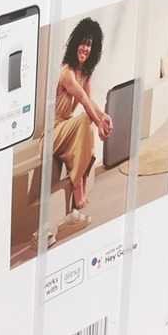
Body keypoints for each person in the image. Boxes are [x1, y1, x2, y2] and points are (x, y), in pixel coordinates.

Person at [53, 17, 113, 210]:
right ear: (75, 44)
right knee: (86, 120)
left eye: (89, 45)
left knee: (86, 125)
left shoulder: (85, 73)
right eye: (82, 43)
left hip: (67, 126)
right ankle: (78, 185)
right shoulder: (67, 73)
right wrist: (98, 122)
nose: (85, 48)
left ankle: (80, 183)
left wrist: (103, 116)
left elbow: (89, 100)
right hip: (54, 130)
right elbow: (84, 100)